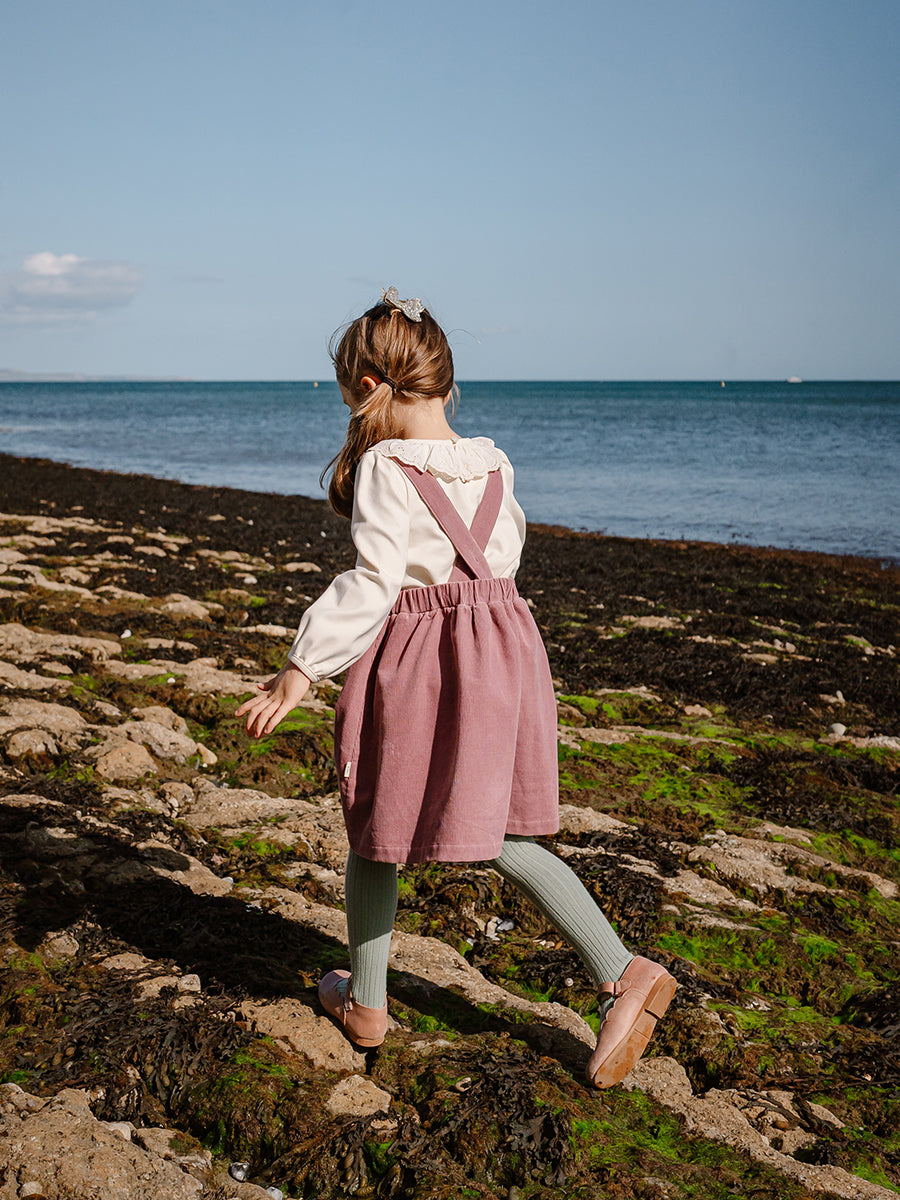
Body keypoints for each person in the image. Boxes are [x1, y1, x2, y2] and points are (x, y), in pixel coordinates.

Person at [237, 288, 676, 1087]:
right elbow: (501, 563)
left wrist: (302, 668)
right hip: (505, 653)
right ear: (445, 382)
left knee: (378, 821)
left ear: (368, 387)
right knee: (496, 830)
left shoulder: (384, 466)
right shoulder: (495, 462)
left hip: (424, 662)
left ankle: (374, 1001)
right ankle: (617, 973)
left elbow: (373, 585)